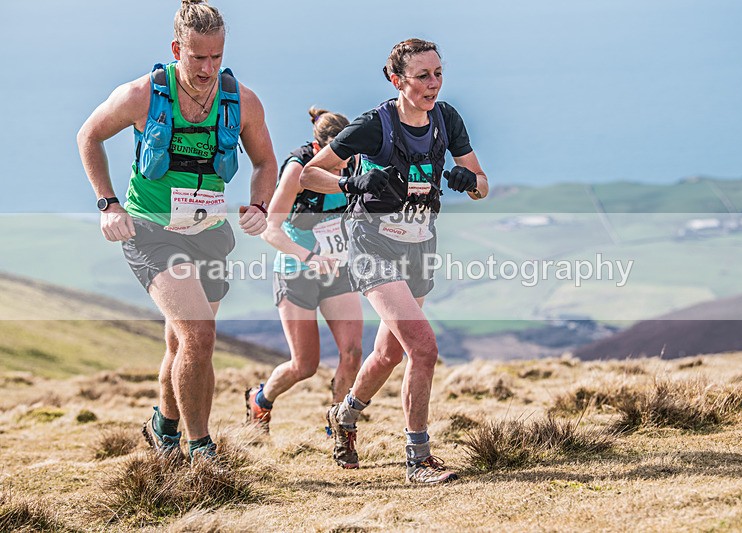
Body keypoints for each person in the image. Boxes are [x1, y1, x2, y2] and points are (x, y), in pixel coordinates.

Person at [77, 0, 278, 463]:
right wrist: (107, 204)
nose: (207, 68)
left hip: (208, 230)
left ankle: (163, 429)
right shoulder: (141, 94)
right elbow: (88, 136)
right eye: (197, 57)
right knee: (199, 335)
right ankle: (201, 450)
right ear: (176, 48)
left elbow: (265, 162)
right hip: (151, 229)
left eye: (217, 57)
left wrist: (261, 204)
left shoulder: (242, 101)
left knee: (181, 343)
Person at [300, 38, 489, 483]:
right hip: (372, 247)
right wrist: (353, 181)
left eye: (438, 73)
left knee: (387, 355)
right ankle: (417, 460)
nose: (433, 84)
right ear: (396, 79)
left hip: (420, 245)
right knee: (423, 349)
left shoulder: (447, 119)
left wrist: (470, 181)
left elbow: (483, 184)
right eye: (423, 76)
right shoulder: (373, 126)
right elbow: (311, 174)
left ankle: (343, 418)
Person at [244, 108, 363, 459]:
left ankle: (340, 425)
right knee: (305, 365)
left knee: (353, 353)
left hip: (338, 271)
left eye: (347, 160)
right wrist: (308, 257)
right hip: (295, 271)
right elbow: (270, 229)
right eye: (335, 161)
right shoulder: (298, 170)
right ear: (318, 147)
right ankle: (260, 400)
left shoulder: (353, 164)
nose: (342, 169)